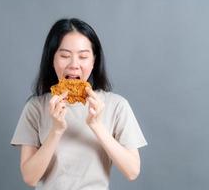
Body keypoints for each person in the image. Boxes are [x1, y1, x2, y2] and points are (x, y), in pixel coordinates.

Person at [10, 18, 147, 190]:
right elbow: (30, 178)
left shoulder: (116, 105)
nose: (74, 65)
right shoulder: (36, 107)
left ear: (93, 61)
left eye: (83, 56)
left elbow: (132, 171)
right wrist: (56, 130)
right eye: (65, 56)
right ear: (52, 59)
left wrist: (96, 125)